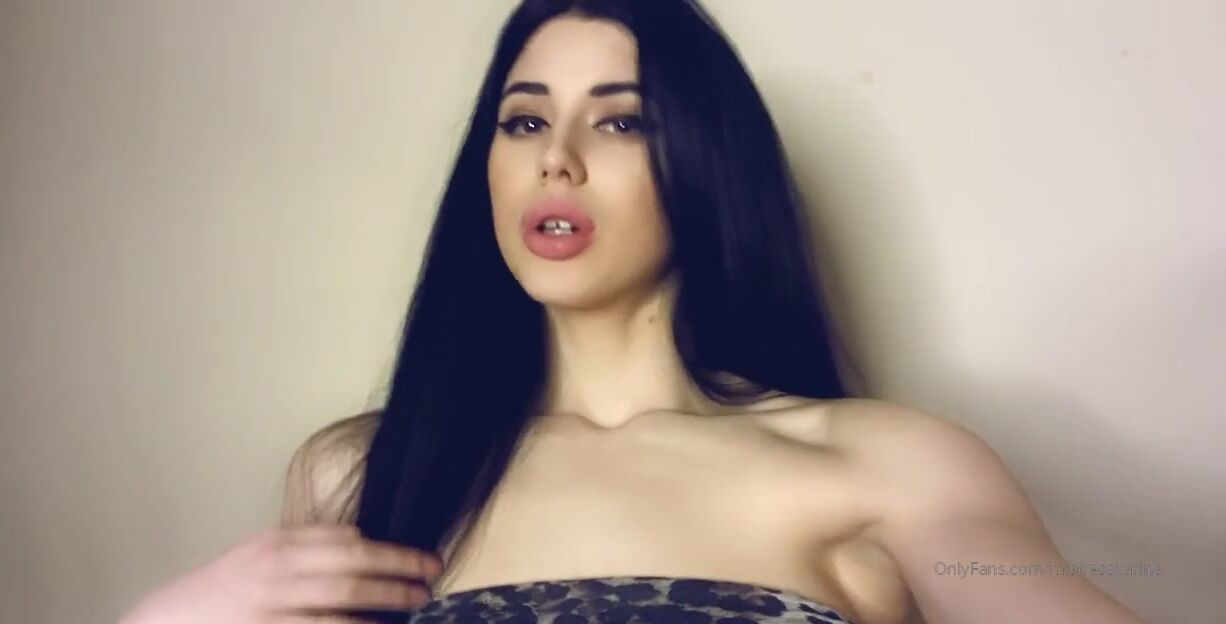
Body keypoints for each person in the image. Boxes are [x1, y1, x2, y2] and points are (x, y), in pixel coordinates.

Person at [119, 1, 1149, 623]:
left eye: (619, 122)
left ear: (704, 165)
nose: (556, 159)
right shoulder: (361, 475)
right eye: (523, 121)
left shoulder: (890, 464)